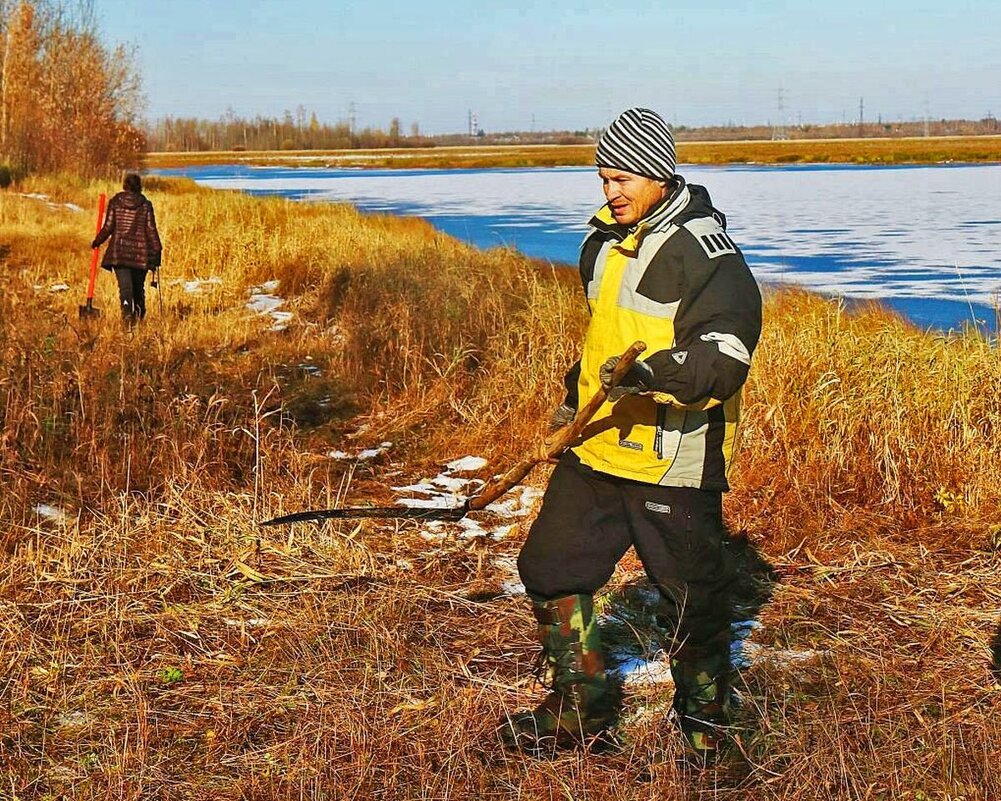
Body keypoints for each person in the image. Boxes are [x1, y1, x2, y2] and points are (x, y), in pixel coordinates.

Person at [500, 108, 762, 763]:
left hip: (669, 458)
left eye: (622, 178)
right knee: (549, 568)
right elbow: (601, 345)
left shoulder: (707, 257)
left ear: (657, 172)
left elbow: (723, 359)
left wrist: (648, 373)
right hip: (598, 447)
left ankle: (709, 735)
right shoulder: (603, 244)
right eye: (602, 177)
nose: (610, 191)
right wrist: (572, 407)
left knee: (689, 603)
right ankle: (576, 712)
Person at [91, 173, 162, 324]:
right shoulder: (145, 205)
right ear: (139, 187)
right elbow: (151, 230)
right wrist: (157, 251)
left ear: (125, 186)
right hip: (140, 255)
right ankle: (139, 315)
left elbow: (108, 227)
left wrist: (97, 241)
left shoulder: (115, 202)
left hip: (119, 253)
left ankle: (127, 317)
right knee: (138, 289)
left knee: (125, 289)